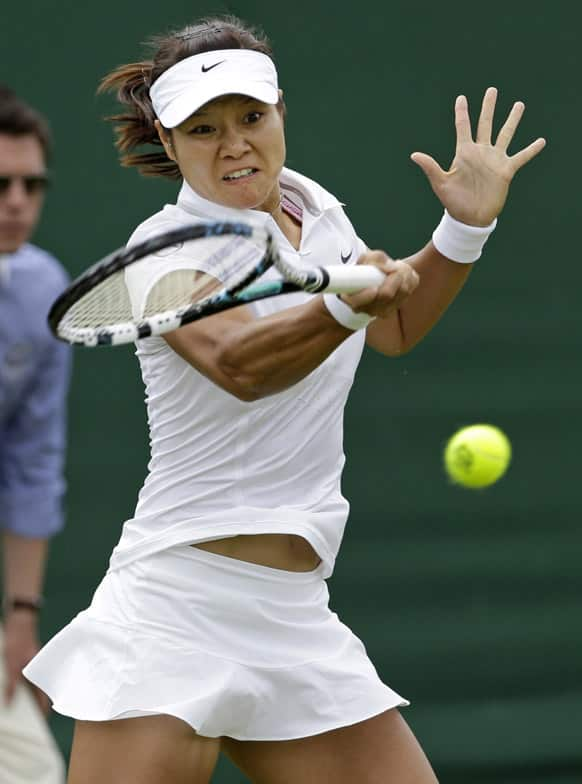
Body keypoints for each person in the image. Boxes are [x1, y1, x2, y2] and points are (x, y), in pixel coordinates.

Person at [24, 16, 545, 784]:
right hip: (176, 609)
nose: (233, 144)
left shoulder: (314, 210)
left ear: (280, 113)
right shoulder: (162, 255)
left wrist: (461, 230)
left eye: (250, 118)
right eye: (202, 129)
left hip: (294, 614)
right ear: (169, 145)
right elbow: (240, 365)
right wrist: (345, 309)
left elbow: (394, 326)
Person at [0, 86, 70, 784]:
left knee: (32, 774)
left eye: (31, 184)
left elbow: (31, 464)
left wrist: (21, 618)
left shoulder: (42, 291)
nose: (17, 200)